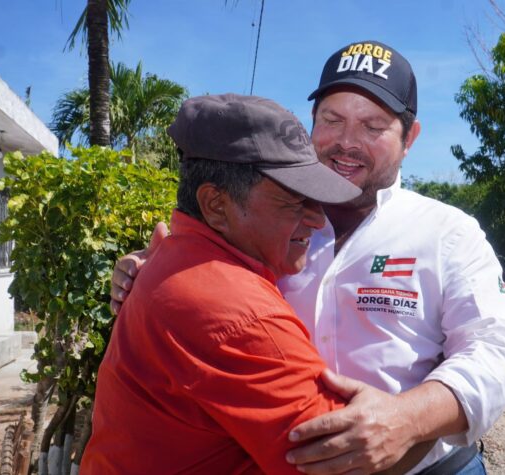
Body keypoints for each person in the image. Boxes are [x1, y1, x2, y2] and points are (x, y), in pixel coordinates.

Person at [111, 41, 505, 475]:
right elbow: (204, 265)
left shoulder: (447, 231)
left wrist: (408, 419)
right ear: (312, 122)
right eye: (332, 120)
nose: (347, 143)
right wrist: (145, 269)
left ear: (410, 138)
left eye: (373, 126)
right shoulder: (268, 216)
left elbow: (496, 345)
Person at [81, 94, 363, 474]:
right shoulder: (240, 314)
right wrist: (422, 419)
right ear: (215, 205)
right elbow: (347, 462)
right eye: (295, 201)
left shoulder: (177, 258)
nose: (317, 219)